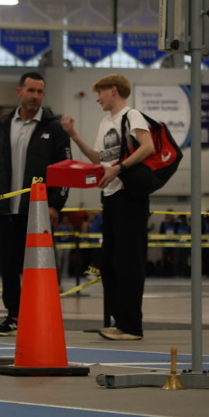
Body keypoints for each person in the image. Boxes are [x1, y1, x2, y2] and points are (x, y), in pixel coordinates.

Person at [62, 73, 154, 341]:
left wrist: (119, 168)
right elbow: (99, 158)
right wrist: (74, 136)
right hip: (111, 196)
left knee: (129, 261)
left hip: (130, 197)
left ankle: (132, 326)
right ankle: (120, 321)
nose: (97, 99)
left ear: (113, 91)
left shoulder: (132, 115)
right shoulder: (105, 123)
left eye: (100, 93)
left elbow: (147, 147)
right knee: (111, 262)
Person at [0, 72, 71, 336]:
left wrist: (55, 205)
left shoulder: (54, 128)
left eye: (40, 92)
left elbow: (64, 170)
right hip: (6, 211)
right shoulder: (2, 126)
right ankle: (13, 316)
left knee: (40, 268)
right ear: (19, 92)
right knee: (8, 266)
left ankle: (42, 317)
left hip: (38, 212)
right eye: (31, 90)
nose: (35, 96)